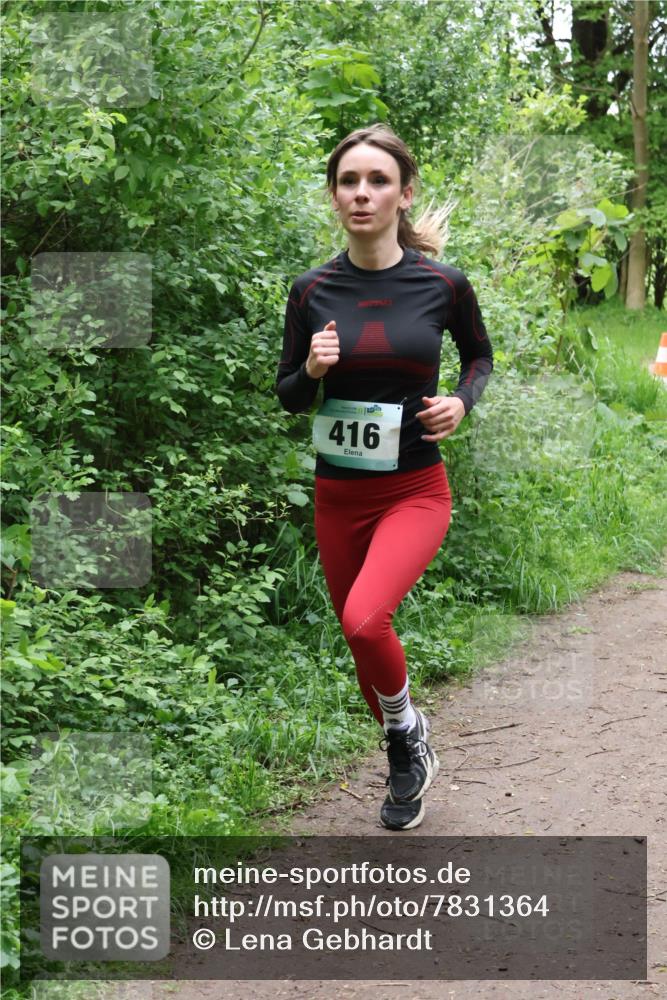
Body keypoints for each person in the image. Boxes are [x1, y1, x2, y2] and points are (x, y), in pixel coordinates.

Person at [275, 123, 493, 830]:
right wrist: (309, 370)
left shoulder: (442, 285)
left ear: (403, 195)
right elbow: (287, 396)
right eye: (348, 181)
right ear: (333, 196)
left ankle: (405, 738)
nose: (361, 193)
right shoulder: (309, 290)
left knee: (365, 620)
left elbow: (479, 360)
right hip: (337, 496)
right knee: (359, 639)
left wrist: (460, 401)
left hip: (412, 491)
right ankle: (407, 748)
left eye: (376, 181)